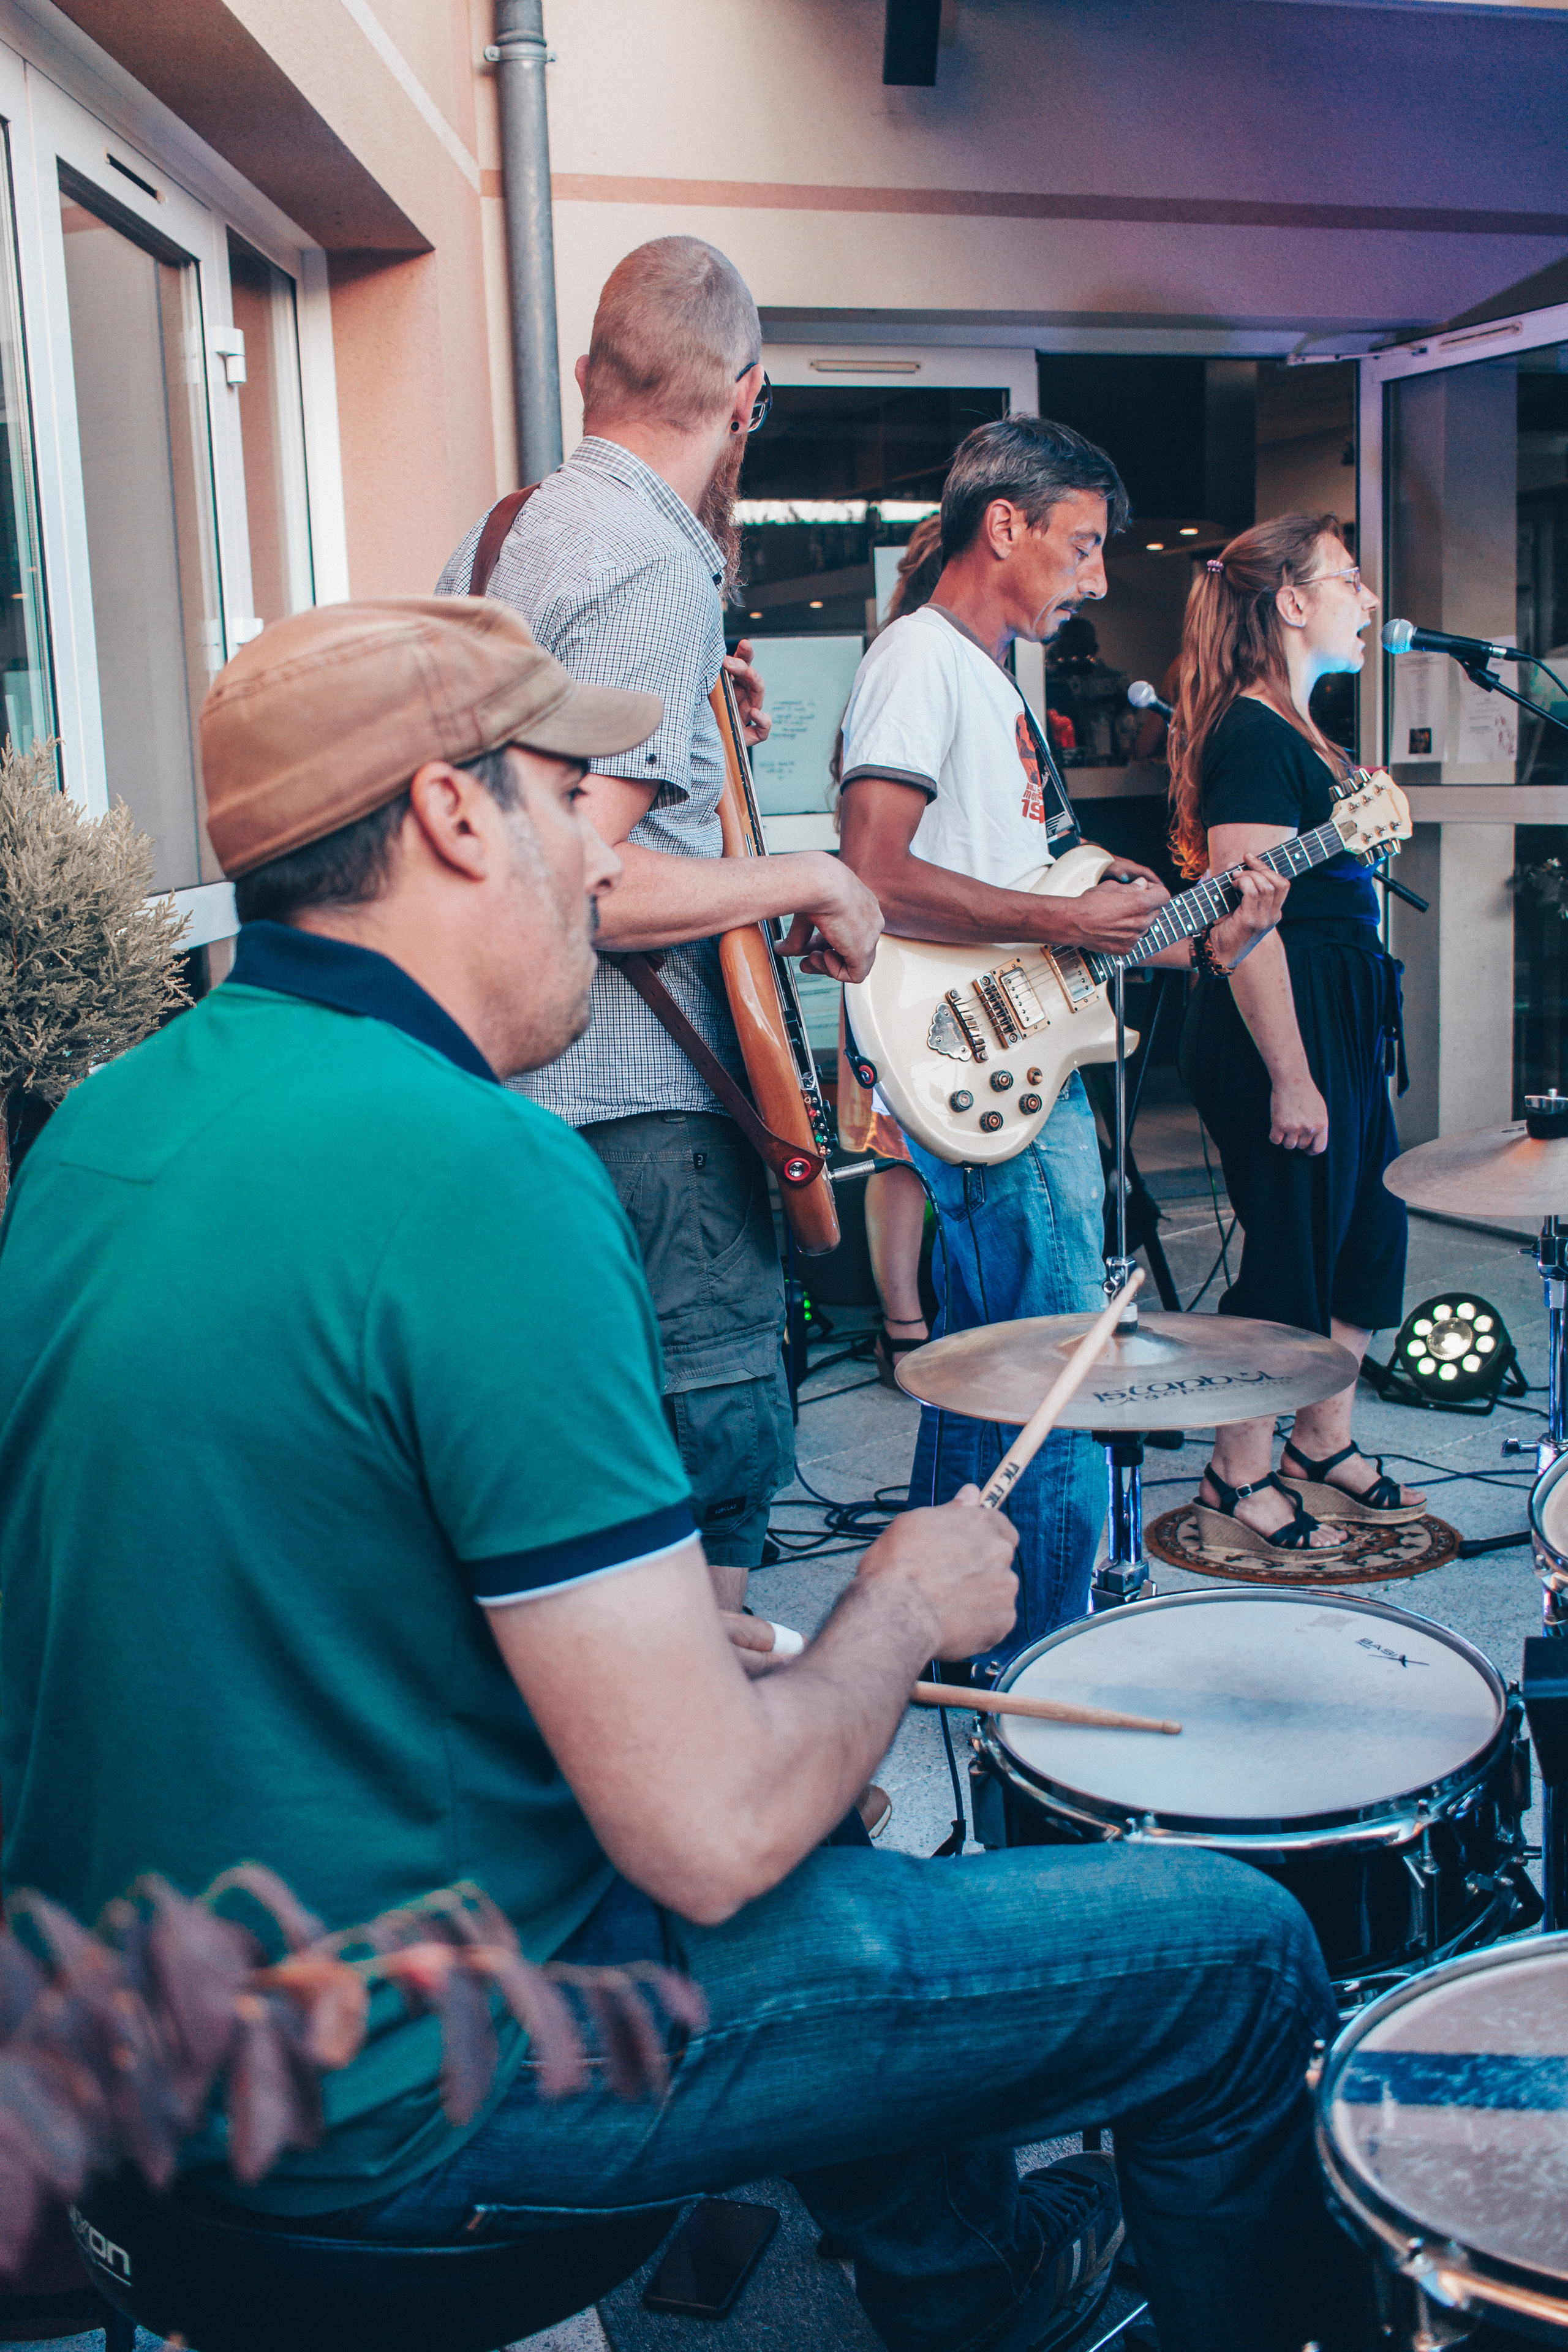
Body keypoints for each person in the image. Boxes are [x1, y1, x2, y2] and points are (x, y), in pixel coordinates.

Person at [0, 597, 1373, 2352]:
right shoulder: (475, 1173)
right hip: (406, 2110)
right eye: (581, 797)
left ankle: (978, 2286)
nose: (606, 858)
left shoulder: (108, 1123)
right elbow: (709, 1837)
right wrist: (896, 1605)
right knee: (1230, 1955)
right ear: (451, 815)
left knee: (851, 1845)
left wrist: (629, 1660)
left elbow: (247, 1574)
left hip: (131, 2081)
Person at [437, 236, 884, 1611]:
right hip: (638, 1109)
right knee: (711, 1449)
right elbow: (585, 880)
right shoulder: (651, 565)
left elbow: (527, 798)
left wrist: (701, 735)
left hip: (510, 1095)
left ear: (589, 376)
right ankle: (713, 1778)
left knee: (566, 1463)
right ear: (746, 397)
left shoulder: (504, 531)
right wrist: (814, 880)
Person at [838, 417, 1290, 1660]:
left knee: (990, 1385)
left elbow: (1042, 914)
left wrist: (1204, 927)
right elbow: (873, 869)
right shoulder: (919, 660)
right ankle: (1041, 1669)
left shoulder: (984, 680)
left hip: (1020, 1058)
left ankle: (946, 1643)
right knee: (1053, 1387)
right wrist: (1061, 910)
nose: (1096, 579)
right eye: (1082, 547)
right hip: (984, 1078)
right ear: (1006, 526)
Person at [1170, 513, 1424, 1555]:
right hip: (1287, 1023)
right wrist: (1292, 1076)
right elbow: (1248, 924)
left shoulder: (1309, 731)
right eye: (1349, 580)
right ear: (1290, 601)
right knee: (1290, 1251)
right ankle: (1236, 1471)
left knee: (1369, 1231)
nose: (1367, 601)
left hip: (1344, 1016)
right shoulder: (1249, 736)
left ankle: (1320, 1441)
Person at [837, 516, 945, 1389]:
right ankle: (902, 1323)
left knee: (907, 1154)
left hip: (957, 968)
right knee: (895, 1151)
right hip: (901, 965)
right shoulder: (909, 670)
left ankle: (914, 1320)